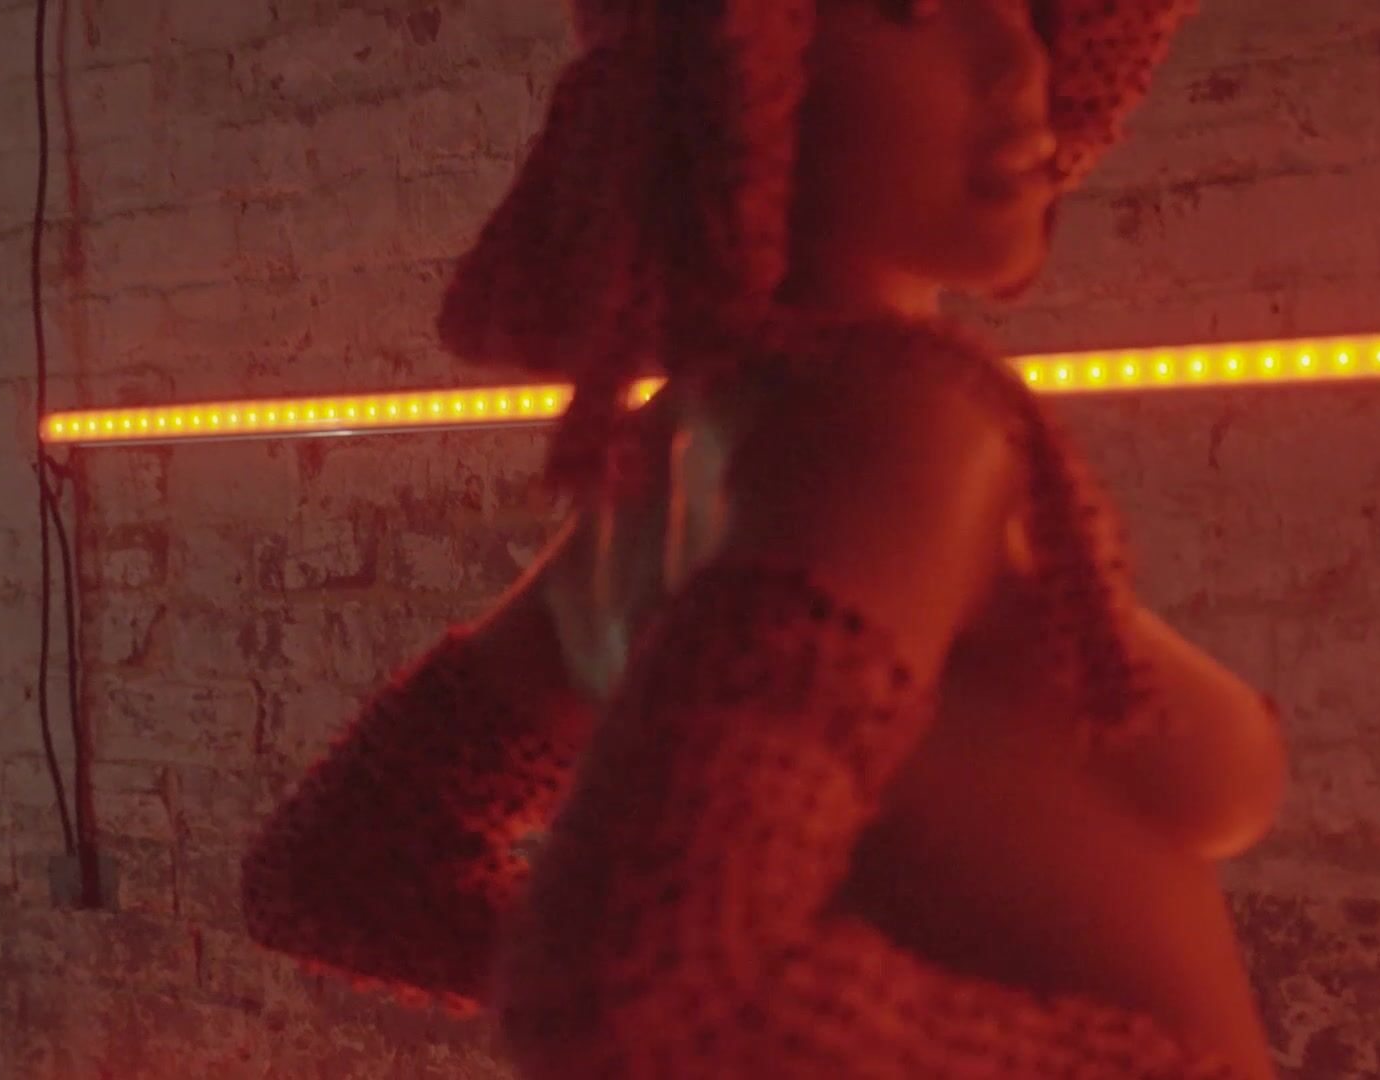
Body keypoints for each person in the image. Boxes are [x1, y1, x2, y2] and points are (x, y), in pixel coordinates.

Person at [240, 1, 1289, 1076]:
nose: (1017, 62)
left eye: (1025, 4)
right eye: (917, 8)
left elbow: (344, 866)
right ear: (739, 61)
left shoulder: (698, 448)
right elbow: (640, 982)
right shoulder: (893, 424)